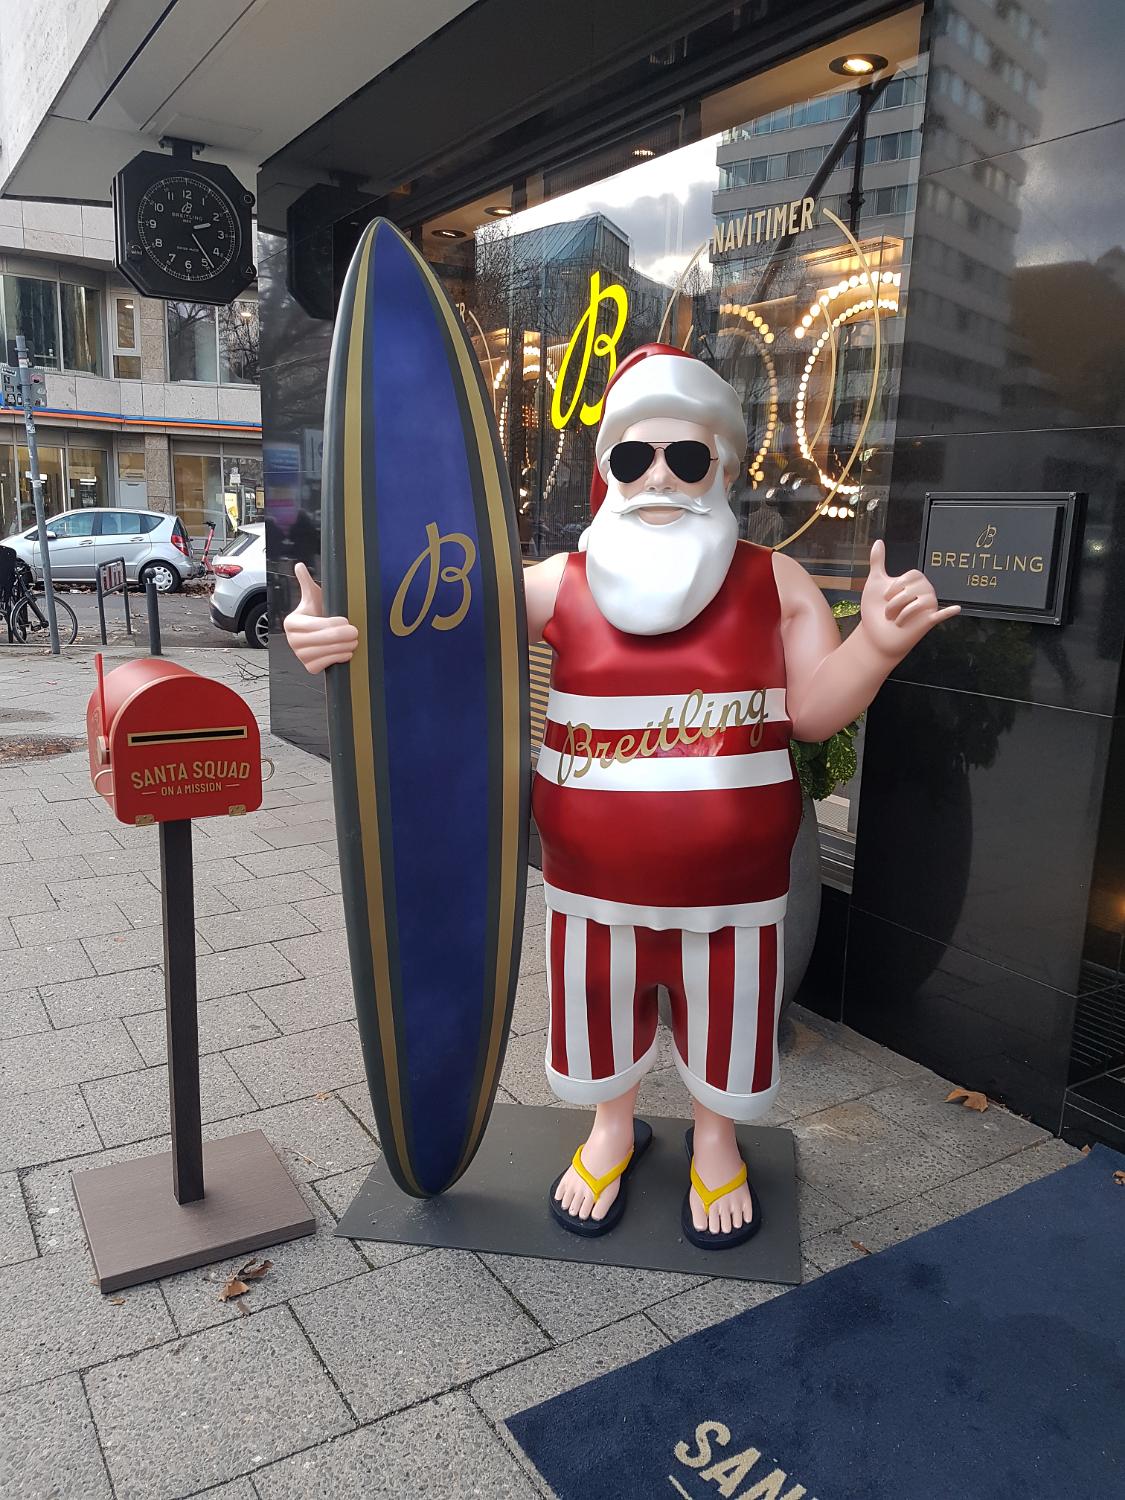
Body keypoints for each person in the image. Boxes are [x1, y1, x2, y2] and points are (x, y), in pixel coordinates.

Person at [285, 343, 957, 1249]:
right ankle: (610, 1128)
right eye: (635, 456)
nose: (659, 477)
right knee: (598, 1006)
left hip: (737, 885)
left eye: (687, 457)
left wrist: (873, 646)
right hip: (589, 879)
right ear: (608, 469)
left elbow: (809, 713)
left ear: (723, 468)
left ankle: (715, 1140)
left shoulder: (774, 580)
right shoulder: (556, 583)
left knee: (728, 1015)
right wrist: (333, 631)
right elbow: (428, 628)